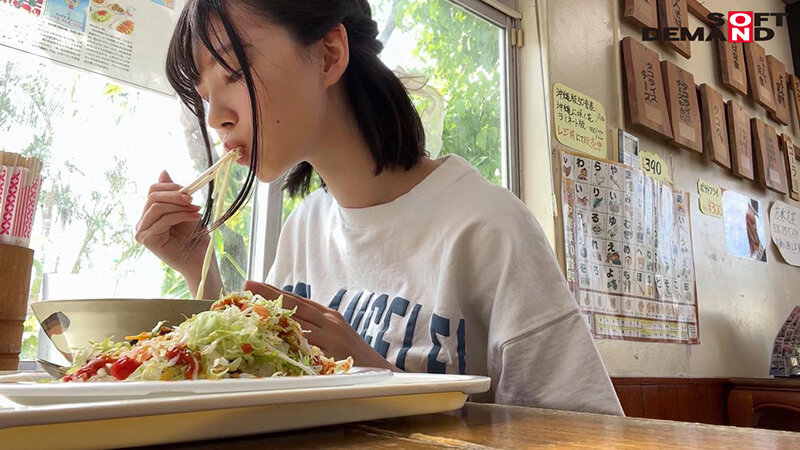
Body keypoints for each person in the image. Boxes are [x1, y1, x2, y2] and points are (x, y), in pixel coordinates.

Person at [135, 0, 623, 415]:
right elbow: (256, 387)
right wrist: (199, 268)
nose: (216, 117)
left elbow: (588, 433)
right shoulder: (304, 228)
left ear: (329, 54)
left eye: (234, 73)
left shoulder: (489, 228)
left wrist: (382, 382)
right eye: (204, 96)